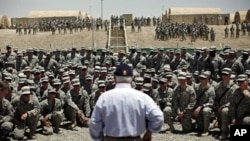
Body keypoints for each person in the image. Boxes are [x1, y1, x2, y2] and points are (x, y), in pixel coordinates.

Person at [89, 64, 164, 141]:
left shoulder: (105, 98)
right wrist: (149, 132)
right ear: (132, 79)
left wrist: (98, 138)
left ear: (114, 78)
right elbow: (158, 117)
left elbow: (95, 122)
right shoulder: (142, 97)